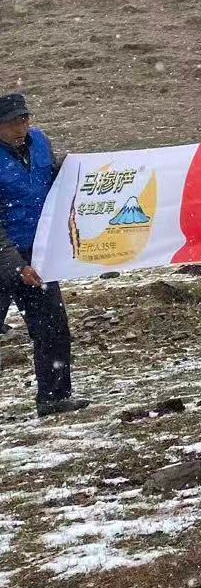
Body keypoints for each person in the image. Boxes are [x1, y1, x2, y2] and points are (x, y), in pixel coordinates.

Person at [0, 93, 87, 417]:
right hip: (7, 250)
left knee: (51, 325)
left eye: (24, 120)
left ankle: (53, 396)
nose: (20, 128)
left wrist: (71, 169)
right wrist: (17, 266)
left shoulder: (39, 141)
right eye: (11, 123)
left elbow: (52, 180)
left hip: (39, 251)